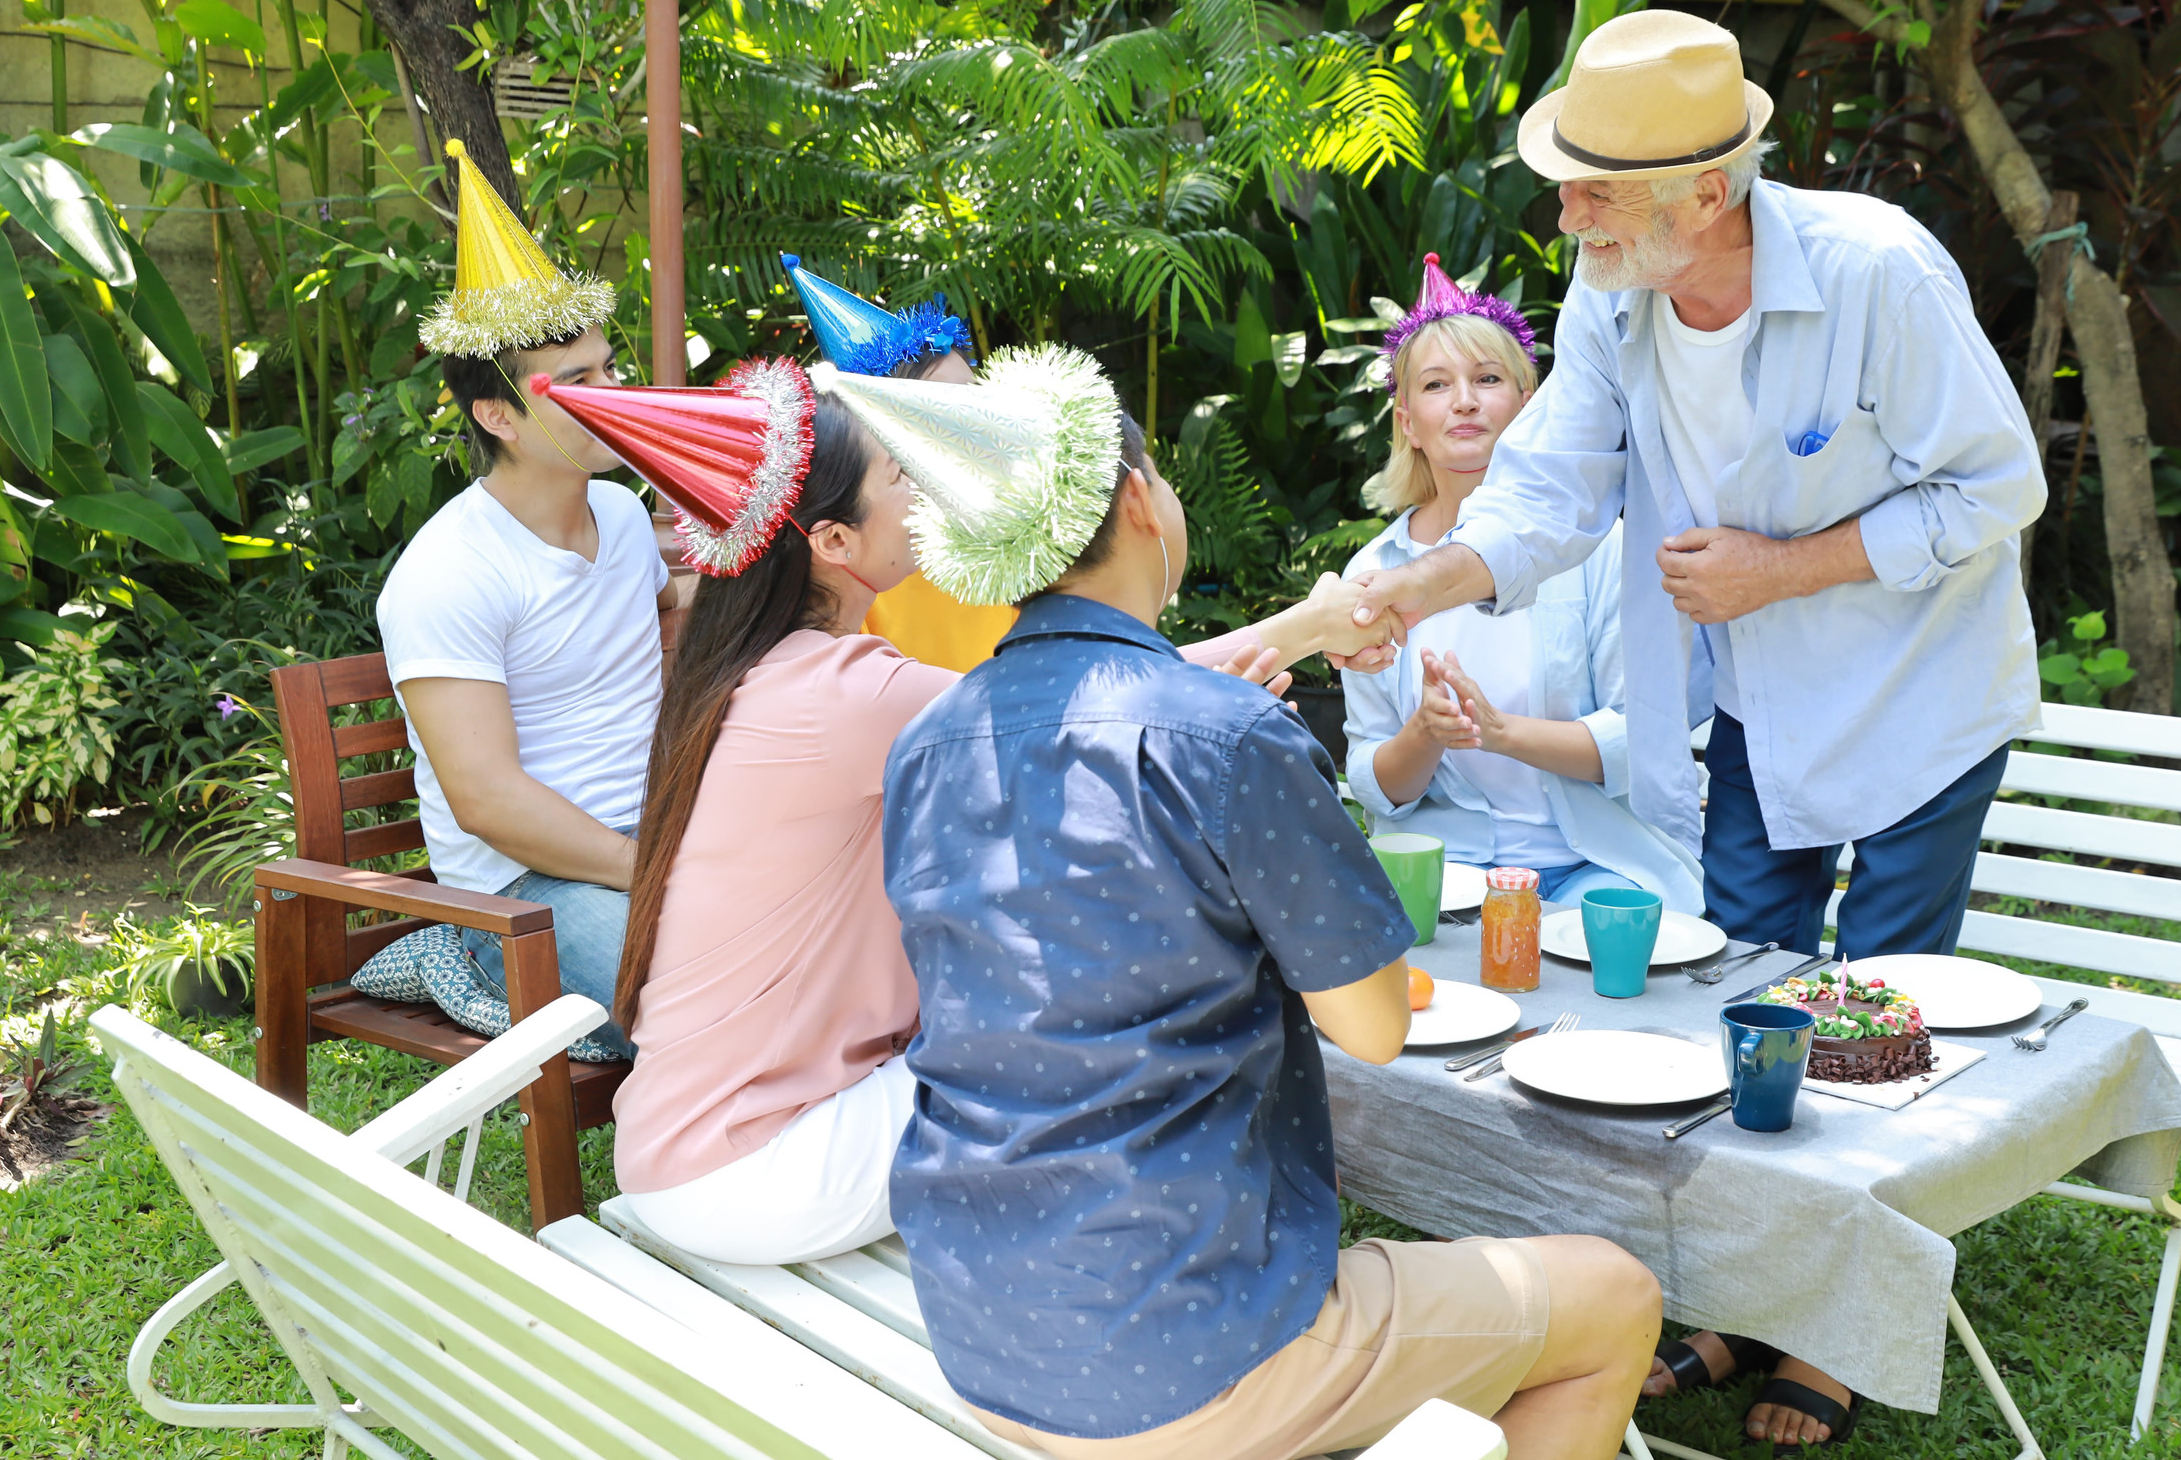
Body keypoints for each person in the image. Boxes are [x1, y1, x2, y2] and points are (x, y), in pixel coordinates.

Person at [1342, 10, 2048, 1449]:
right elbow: (1544, 497)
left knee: (1878, 1007)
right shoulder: (1616, 290)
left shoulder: (1877, 273)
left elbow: (1996, 492)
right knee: (1745, 997)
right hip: (1744, 709)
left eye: (1594, 187)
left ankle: (1830, 1335)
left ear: (1707, 194)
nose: (1567, 210)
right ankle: (1744, 1297)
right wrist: (1403, 592)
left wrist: (1782, 569)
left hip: (1918, 694)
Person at [882, 350, 1664, 1460]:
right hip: (1176, 1356)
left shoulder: (928, 741)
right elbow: (1375, 1025)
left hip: (979, 1323)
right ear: (1146, 500)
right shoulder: (1225, 733)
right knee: (1616, 1296)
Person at [532, 349, 1397, 1265]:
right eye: (903, 475)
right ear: (833, 542)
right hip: (762, 1176)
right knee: (1126, 1025)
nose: (932, 488)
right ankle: (1219, 1282)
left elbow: (1089, 695)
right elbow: (1102, 694)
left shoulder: (756, 677)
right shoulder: (838, 695)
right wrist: (1309, 625)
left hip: (689, 1157)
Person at [354, 140, 687, 1061]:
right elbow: (489, 801)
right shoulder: (447, 571)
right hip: (521, 899)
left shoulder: (621, 516)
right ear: (496, 416)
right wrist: (656, 871)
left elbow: (667, 625)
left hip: (654, 836)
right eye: (577, 384)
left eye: (610, 371)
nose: (615, 397)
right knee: (697, 991)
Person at [1342, 253, 1702, 914]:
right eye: (1435, 385)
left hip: (1593, 868)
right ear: (1405, 421)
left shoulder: (1603, 551)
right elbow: (1373, 785)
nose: (1465, 401)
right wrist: (1424, 732)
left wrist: (1502, 732)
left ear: (1531, 406)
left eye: (1487, 378)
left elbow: (1641, 739)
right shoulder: (1372, 577)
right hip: (1445, 873)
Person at [782, 253, 1016, 672]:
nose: (972, 429)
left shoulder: (1017, 514)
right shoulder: (865, 563)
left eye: (976, 405)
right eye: (941, 415)